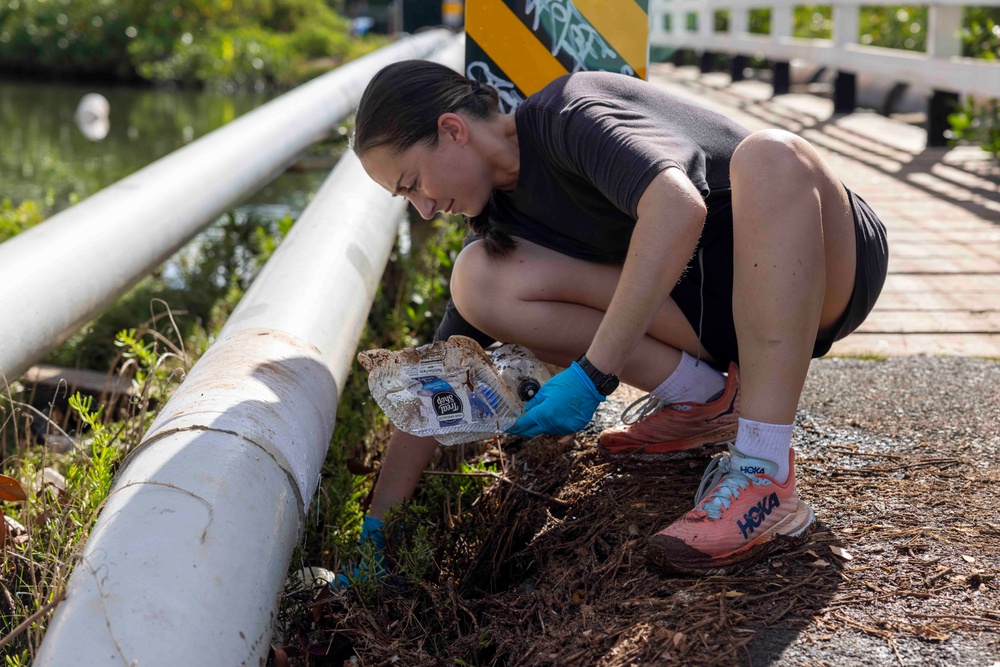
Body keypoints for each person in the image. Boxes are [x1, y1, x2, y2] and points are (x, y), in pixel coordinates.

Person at [347, 59, 888, 575]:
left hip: (816, 263)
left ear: (452, 130)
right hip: (716, 315)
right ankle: (704, 400)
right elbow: (439, 374)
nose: (421, 207)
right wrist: (377, 527)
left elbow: (679, 206)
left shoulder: (567, 113)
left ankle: (764, 474)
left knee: (770, 153)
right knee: (478, 279)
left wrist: (593, 374)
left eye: (413, 182)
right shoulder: (500, 220)